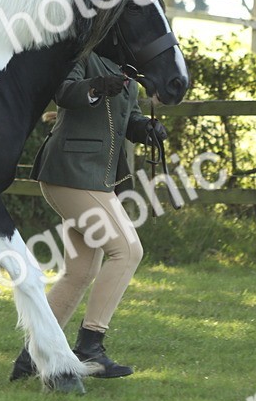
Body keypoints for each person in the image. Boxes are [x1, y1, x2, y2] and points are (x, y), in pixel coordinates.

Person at [11, 38, 167, 381]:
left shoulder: (127, 71)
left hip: (93, 179)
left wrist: (146, 129)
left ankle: (31, 357)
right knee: (127, 251)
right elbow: (64, 92)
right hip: (72, 172)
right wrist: (96, 87)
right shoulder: (82, 56)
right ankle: (90, 346)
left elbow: (129, 118)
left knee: (80, 272)